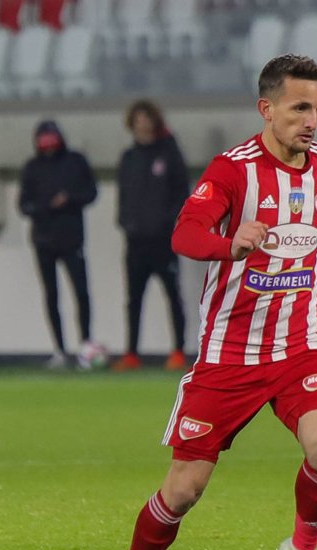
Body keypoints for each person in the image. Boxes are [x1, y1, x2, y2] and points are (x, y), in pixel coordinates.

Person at [101, 54, 317, 550]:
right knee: (183, 490)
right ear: (267, 108)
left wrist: (312, 291)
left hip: (300, 347)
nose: (311, 121)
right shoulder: (233, 170)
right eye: (299, 108)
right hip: (229, 357)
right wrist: (229, 243)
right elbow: (185, 233)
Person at [112, 99, 190, 372]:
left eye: (146, 119)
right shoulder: (129, 157)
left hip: (163, 240)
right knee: (133, 299)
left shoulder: (169, 153)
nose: (142, 124)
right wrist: (125, 222)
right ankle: (132, 353)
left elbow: (182, 193)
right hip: (135, 241)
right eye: (137, 120)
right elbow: (123, 196)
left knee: (173, 295)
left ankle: (178, 351)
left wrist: (169, 223)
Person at [18, 119, 102, 369]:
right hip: (43, 240)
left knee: (81, 292)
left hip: (72, 238)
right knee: (52, 294)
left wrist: (69, 200)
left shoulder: (75, 162)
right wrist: (46, 206)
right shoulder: (32, 167)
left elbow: (91, 192)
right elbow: (24, 205)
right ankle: (59, 349)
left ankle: (86, 345)